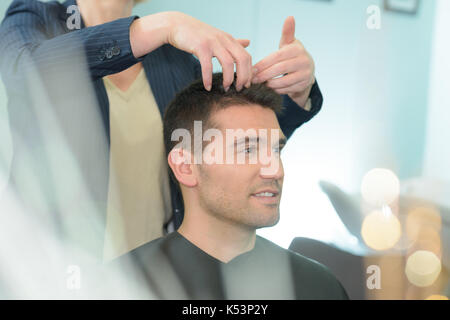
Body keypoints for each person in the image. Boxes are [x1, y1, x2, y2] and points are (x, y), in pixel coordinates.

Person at [0, 0, 322, 260]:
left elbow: (228, 147)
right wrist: (165, 25)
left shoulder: (176, 58)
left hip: (158, 273)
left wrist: (294, 93)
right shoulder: (34, 19)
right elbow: (27, 73)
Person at [118, 73, 348, 300]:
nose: (275, 170)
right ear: (186, 166)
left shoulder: (319, 287)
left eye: (276, 150)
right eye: (248, 150)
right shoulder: (118, 286)